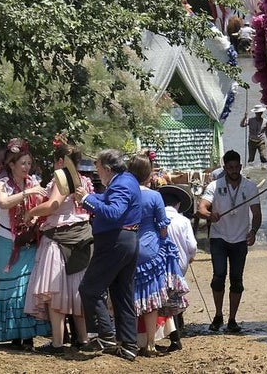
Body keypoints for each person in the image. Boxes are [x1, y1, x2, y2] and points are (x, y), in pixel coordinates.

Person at [23, 136, 93, 354]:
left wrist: (31, 213)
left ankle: (57, 342)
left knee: (56, 293)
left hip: (58, 238)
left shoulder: (62, 178)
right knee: (76, 291)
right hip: (82, 236)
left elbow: (53, 205)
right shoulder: (84, 181)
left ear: (61, 161)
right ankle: (83, 339)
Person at [0, 139, 51, 348]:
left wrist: (35, 217)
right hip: (6, 241)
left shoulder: (34, 182)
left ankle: (27, 337)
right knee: (9, 289)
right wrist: (28, 193)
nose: (26, 167)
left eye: (29, 163)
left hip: (28, 242)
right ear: (11, 165)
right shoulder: (1, 184)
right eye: (22, 163)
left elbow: (43, 206)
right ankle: (13, 336)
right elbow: (3, 203)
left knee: (26, 289)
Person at [76, 148, 141, 362]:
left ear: (107, 168)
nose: (97, 172)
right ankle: (129, 345)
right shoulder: (127, 180)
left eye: (97, 168)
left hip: (115, 241)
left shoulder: (120, 184)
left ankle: (106, 335)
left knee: (89, 289)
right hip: (127, 240)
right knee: (122, 294)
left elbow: (113, 212)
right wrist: (89, 197)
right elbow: (107, 200)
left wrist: (87, 199)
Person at [129, 153, 188, 357]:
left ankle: (130, 341)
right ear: (148, 174)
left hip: (127, 247)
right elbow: (163, 227)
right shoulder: (155, 196)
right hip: (151, 248)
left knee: (130, 295)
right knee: (151, 297)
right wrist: (164, 242)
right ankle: (151, 344)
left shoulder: (124, 194)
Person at [197, 150, 260, 333]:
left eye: (236, 167)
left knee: (236, 280)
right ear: (225, 168)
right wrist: (210, 215)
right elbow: (201, 208)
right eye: (230, 167)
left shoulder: (250, 187)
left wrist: (253, 231)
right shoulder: (214, 186)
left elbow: (256, 213)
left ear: (240, 166)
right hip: (219, 237)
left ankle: (232, 319)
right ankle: (218, 315)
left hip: (240, 239)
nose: (233, 170)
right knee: (218, 277)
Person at [160, 184, 196, 353]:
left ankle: (172, 332)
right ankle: (177, 327)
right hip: (180, 264)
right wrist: (190, 256)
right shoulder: (184, 221)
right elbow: (192, 246)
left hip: (160, 263)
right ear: (178, 204)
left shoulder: (156, 219)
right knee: (176, 293)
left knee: (164, 296)